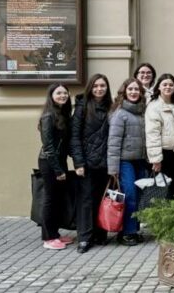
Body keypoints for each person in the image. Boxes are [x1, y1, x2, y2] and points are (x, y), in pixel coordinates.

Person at [70, 74, 113, 253]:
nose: (99, 89)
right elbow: (74, 137)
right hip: (87, 163)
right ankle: (85, 238)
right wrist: (78, 162)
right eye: (95, 86)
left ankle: (100, 234)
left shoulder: (112, 107)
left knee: (101, 198)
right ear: (90, 88)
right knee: (86, 200)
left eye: (102, 86)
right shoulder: (82, 107)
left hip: (106, 162)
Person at [107, 78, 148, 247]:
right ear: (124, 92)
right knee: (129, 195)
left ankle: (134, 230)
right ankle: (127, 233)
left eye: (136, 89)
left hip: (140, 160)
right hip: (125, 162)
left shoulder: (142, 112)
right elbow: (113, 142)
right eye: (130, 89)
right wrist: (113, 169)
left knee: (137, 196)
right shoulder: (120, 113)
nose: (133, 92)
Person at [37, 83, 74, 250]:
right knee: (50, 199)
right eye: (58, 93)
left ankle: (55, 233)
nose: (62, 96)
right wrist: (58, 170)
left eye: (65, 93)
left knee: (58, 198)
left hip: (60, 161)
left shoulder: (62, 114)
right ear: (51, 96)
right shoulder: (48, 116)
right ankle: (48, 237)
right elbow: (48, 147)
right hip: (49, 162)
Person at [145, 74, 174, 199]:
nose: (168, 87)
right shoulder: (154, 107)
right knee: (163, 192)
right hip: (162, 155)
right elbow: (152, 134)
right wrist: (156, 159)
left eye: (171, 85)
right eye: (164, 84)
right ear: (158, 87)